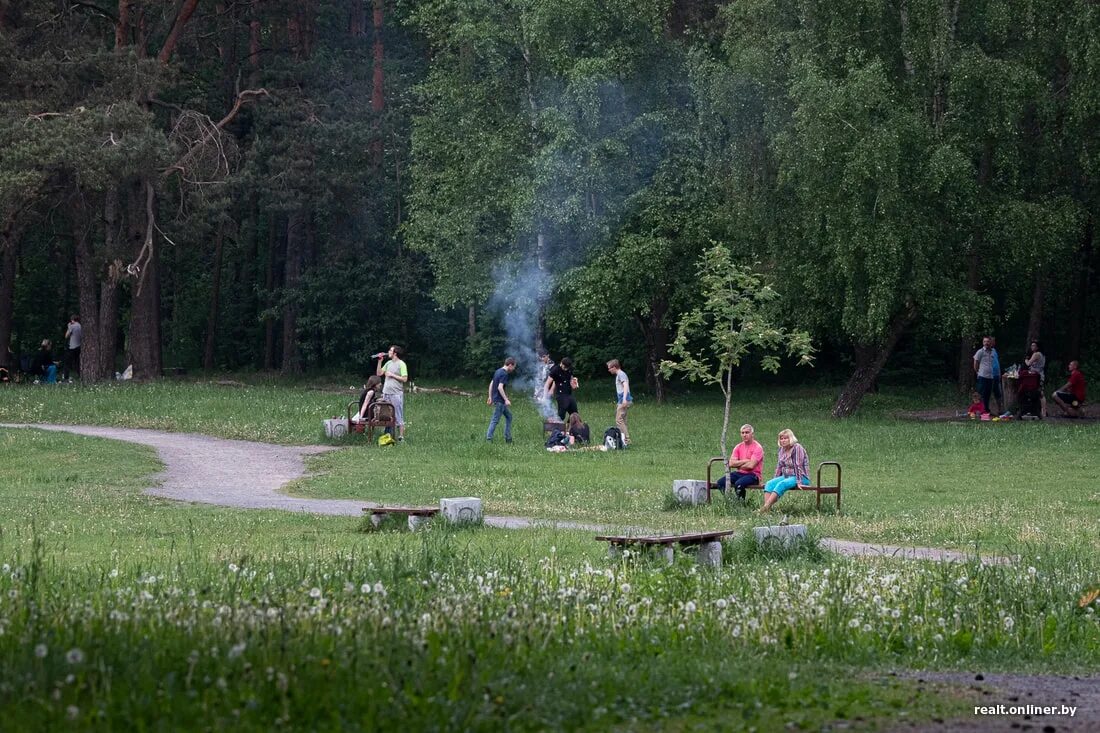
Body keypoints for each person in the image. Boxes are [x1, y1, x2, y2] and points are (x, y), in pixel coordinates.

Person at [760, 429, 809, 514]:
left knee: (782, 484)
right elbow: (779, 466)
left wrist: (799, 481)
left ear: (791, 438)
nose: (783, 440)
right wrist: (775, 479)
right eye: (781, 439)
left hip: (801, 477)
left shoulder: (797, 448)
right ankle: (767, 511)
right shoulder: (781, 449)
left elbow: (798, 465)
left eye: (785, 438)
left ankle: (764, 509)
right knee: (769, 483)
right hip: (787, 476)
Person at [714, 424, 764, 499]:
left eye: (747, 432)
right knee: (720, 483)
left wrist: (738, 464)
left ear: (752, 434)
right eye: (742, 433)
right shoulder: (738, 447)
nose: (744, 435)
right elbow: (731, 463)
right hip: (739, 473)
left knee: (739, 484)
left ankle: (741, 503)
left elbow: (751, 466)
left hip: (753, 475)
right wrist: (746, 461)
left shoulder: (758, 447)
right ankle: (731, 500)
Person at [376, 345, 408, 441]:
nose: (388, 352)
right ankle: (388, 434)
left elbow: (405, 378)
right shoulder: (388, 363)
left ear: (395, 353)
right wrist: (380, 361)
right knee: (386, 414)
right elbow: (379, 373)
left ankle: (401, 437)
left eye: (390, 350)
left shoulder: (401, 364)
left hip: (396, 394)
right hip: (386, 393)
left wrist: (392, 375)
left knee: (398, 415)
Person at [486, 357, 516, 443]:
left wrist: (490, 397)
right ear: (510, 365)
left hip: (497, 400)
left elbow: (491, 383)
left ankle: (508, 438)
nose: (513, 369)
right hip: (500, 401)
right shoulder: (504, 374)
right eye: (513, 367)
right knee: (495, 420)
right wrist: (506, 399)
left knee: (509, 416)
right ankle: (489, 438)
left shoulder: (498, 371)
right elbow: (500, 387)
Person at [606, 359, 632, 447]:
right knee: (623, 420)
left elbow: (625, 386)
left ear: (614, 367)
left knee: (619, 420)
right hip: (622, 400)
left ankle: (626, 440)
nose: (608, 370)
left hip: (624, 400)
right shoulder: (620, 375)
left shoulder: (621, 374)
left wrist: (624, 399)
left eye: (609, 368)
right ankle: (623, 438)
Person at [544, 356, 580, 421]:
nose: (566, 369)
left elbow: (572, 382)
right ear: (561, 363)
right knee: (562, 413)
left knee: (575, 413)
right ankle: (557, 426)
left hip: (569, 394)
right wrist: (546, 395)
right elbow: (547, 383)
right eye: (564, 367)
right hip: (560, 395)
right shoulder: (555, 370)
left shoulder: (569, 369)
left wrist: (575, 383)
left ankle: (572, 427)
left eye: (567, 368)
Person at [972, 336, 996, 416]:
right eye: (985, 341)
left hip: (990, 376)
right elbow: (975, 362)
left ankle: (986, 410)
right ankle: (977, 410)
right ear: (983, 342)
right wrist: (977, 372)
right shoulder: (980, 352)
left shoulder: (992, 352)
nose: (986, 343)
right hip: (982, 376)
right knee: (980, 394)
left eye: (988, 341)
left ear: (990, 343)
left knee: (987, 394)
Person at [1025, 340, 1047, 417]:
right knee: (1039, 393)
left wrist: (1026, 359)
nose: (1032, 347)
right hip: (1039, 375)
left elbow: (1028, 363)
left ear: (1037, 347)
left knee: (1040, 393)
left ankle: (1043, 411)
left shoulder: (1037, 354)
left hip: (1036, 376)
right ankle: (1039, 410)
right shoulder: (1042, 354)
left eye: (1034, 345)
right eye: (1031, 345)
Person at [63, 315, 82, 382]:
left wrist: (69, 327)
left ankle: (66, 378)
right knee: (77, 362)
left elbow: (66, 336)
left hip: (72, 347)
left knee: (67, 363)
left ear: (72, 320)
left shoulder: (72, 326)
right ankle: (81, 376)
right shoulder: (80, 326)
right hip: (79, 346)